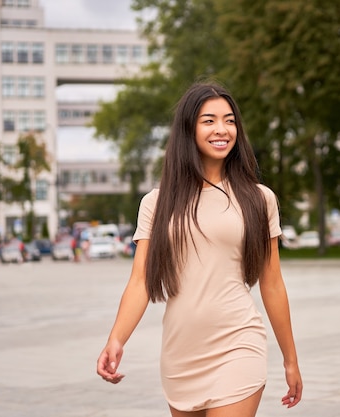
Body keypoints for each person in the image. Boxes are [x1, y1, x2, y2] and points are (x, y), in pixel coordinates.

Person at [96, 81, 303, 417]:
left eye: (229, 120)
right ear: (188, 128)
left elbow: (272, 282)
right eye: (209, 120)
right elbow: (140, 282)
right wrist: (116, 339)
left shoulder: (259, 199)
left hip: (239, 342)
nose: (222, 129)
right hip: (181, 352)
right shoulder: (157, 203)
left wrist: (290, 360)